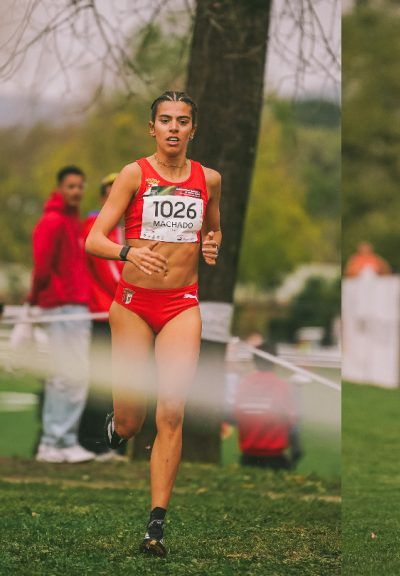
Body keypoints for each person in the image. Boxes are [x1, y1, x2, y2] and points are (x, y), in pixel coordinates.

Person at [85, 91, 222, 556]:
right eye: (165, 120)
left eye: (182, 121)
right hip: (132, 305)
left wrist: (212, 244)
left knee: (172, 411)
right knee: (132, 421)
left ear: (192, 129)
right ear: (152, 128)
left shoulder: (209, 179)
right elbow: (94, 240)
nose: (173, 128)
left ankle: (156, 526)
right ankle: (119, 427)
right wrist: (129, 252)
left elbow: (213, 229)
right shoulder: (133, 174)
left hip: (182, 305)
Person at [28, 165, 96, 464]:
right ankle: (54, 442)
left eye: (80, 186)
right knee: (66, 376)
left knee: (72, 376)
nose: (76, 191)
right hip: (62, 307)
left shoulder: (72, 222)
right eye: (71, 186)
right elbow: (42, 266)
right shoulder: (53, 222)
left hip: (75, 306)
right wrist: (34, 300)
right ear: (59, 188)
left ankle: (61, 441)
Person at [79, 173, 126, 460]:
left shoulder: (123, 228)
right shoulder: (97, 227)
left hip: (118, 315)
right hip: (102, 315)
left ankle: (110, 442)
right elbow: (111, 275)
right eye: (110, 193)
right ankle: (93, 442)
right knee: (101, 381)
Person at [231, 341, 303, 471]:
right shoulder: (281, 387)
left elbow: (236, 416)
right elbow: (291, 421)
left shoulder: (243, 386)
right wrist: (296, 449)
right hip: (274, 458)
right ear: (275, 361)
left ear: (254, 361)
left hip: (247, 458)